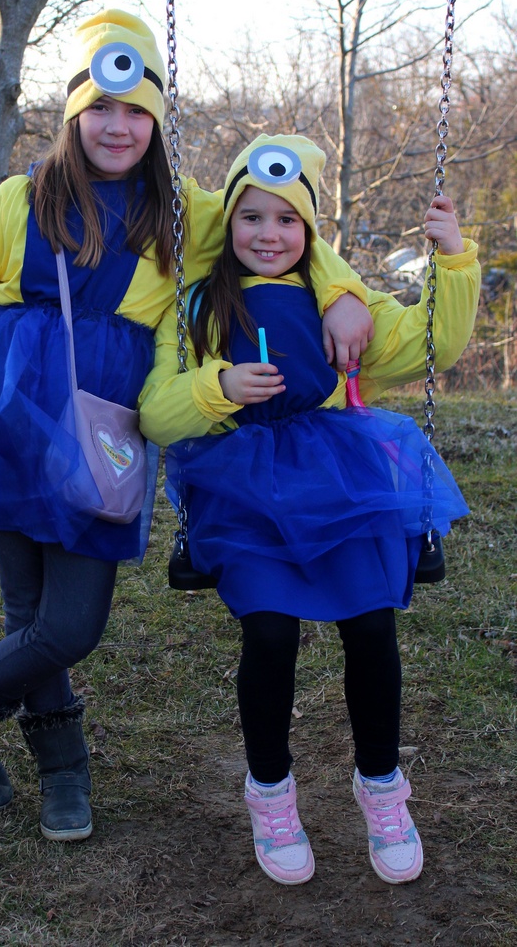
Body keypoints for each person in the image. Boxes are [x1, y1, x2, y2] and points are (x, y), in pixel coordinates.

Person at [0, 15, 374, 842]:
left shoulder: (185, 214)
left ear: (155, 122)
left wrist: (340, 289)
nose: (118, 128)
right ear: (75, 111)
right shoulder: (18, 200)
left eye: (137, 111)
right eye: (101, 108)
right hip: (1, 416)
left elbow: (279, 220)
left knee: (71, 624)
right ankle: (64, 773)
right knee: (27, 613)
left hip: (101, 428)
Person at [139, 134, 480, 885]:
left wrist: (453, 259)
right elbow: (158, 416)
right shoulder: (196, 304)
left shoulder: (346, 313)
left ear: (312, 232)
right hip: (243, 486)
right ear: (226, 225)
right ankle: (270, 790)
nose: (268, 234)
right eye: (251, 217)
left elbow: (437, 346)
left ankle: (382, 784)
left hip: (337, 476)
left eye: (288, 221)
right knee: (268, 635)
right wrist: (218, 389)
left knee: (370, 627)